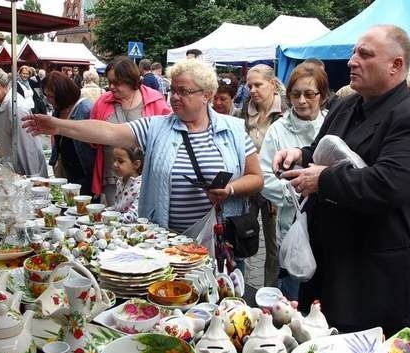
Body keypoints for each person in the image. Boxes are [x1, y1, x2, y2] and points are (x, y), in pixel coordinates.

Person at [273, 25, 410, 336]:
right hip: (329, 264)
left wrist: (323, 179)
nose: (351, 61)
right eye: (353, 52)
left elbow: (389, 185)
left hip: (372, 276)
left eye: (365, 54)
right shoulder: (347, 104)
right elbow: (323, 152)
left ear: (396, 65)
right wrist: (300, 155)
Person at [22, 58, 263, 236]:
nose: (175, 97)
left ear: (206, 95)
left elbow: (256, 178)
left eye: (184, 91)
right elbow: (109, 132)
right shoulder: (156, 127)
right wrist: (58, 126)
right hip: (164, 236)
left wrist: (229, 190)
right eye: (173, 90)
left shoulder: (233, 129)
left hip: (218, 234)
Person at [259, 63, 329, 299]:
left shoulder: (332, 124)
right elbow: (264, 176)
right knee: (293, 297)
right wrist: (295, 191)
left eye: (309, 94)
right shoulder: (278, 130)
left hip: (331, 227)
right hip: (292, 227)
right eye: (295, 94)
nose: (301, 101)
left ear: (323, 95)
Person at [90, 56, 170, 206]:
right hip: (112, 175)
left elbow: (167, 138)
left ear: (131, 80)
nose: (111, 86)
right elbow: (93, 138)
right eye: (109, 82)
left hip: (145, 178)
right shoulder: (102, 101)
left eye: (117, 82)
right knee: (114, 219)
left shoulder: (155, 100)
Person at [243, 63, 287, 287]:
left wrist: (276, 190)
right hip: (249, 183)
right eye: (249, 85)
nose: (252, 90)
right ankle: (243, 288)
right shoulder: (246, 108)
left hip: (274, 185)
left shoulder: (285, 111)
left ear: (272, 84)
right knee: (244, 235)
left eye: (257, 84)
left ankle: (270, 293)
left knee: (274, 243)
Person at [0, 64, 48, 177]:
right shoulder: (4, 103)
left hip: (26, 174)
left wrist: (31, 179)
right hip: (14, 171)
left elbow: (27, 149)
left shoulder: (16, 108)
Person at [43, 71, 95, 195]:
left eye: (50, 96)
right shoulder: (59, 109)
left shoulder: (85, 109)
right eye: (46, 95)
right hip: (65, 169)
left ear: (62, 94)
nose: (48, 100)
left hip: (84, 173)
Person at [107, 146, 143, 223]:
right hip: (118, 227)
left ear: (136, 164)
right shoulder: (120, 181)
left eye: (120, 161)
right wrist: (104, 211)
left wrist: (109, 219)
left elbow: (134, 214)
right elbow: (119, 208)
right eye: (114, 160)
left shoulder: (142, 186)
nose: (115, 164)